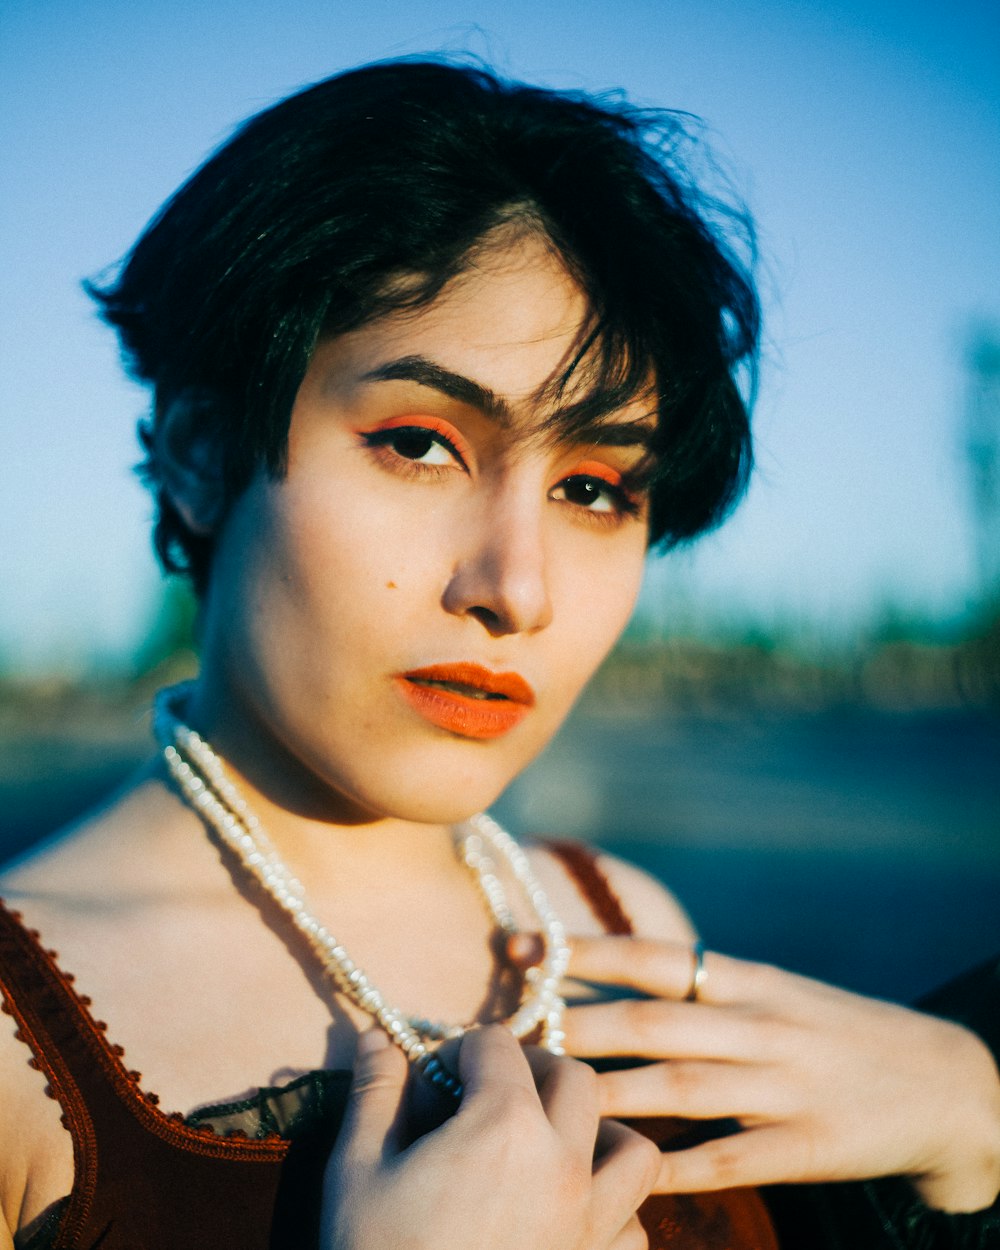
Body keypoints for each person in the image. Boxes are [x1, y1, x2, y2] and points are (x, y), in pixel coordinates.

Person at [0, 58, 997, 1250]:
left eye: (592, 487)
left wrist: (972, 1125)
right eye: (419, 442)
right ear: (201, 451)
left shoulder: (627, 931)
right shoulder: (21, 1052)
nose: (514, 587)